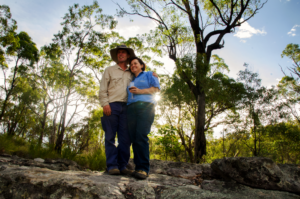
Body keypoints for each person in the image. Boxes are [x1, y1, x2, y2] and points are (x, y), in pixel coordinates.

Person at [99, 45, 158, 175]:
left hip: (127, 108)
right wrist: (105, 104)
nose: (121, 54)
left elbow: (144, 78)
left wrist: (152, 74)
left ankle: (122, 165)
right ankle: (112, 166)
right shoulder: (109, 70)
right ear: (116, 56)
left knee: (125, 139)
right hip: (112, 105)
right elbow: (103, 88)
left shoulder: (132, 73)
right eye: (118, 53)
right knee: (110, 137)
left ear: (127, 56)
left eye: (123, 53)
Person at [126, 57, 160, 179]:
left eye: (135, 63)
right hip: (131, 109)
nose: (133, 65)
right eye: (131, 64)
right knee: (134, 138)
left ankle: (144, 169)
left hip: (146, 107)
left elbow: (156, 89)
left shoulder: (150, 74)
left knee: (141, 135)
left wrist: (140, 91)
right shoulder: (130, 79)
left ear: (142, 65)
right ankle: (137, 168)